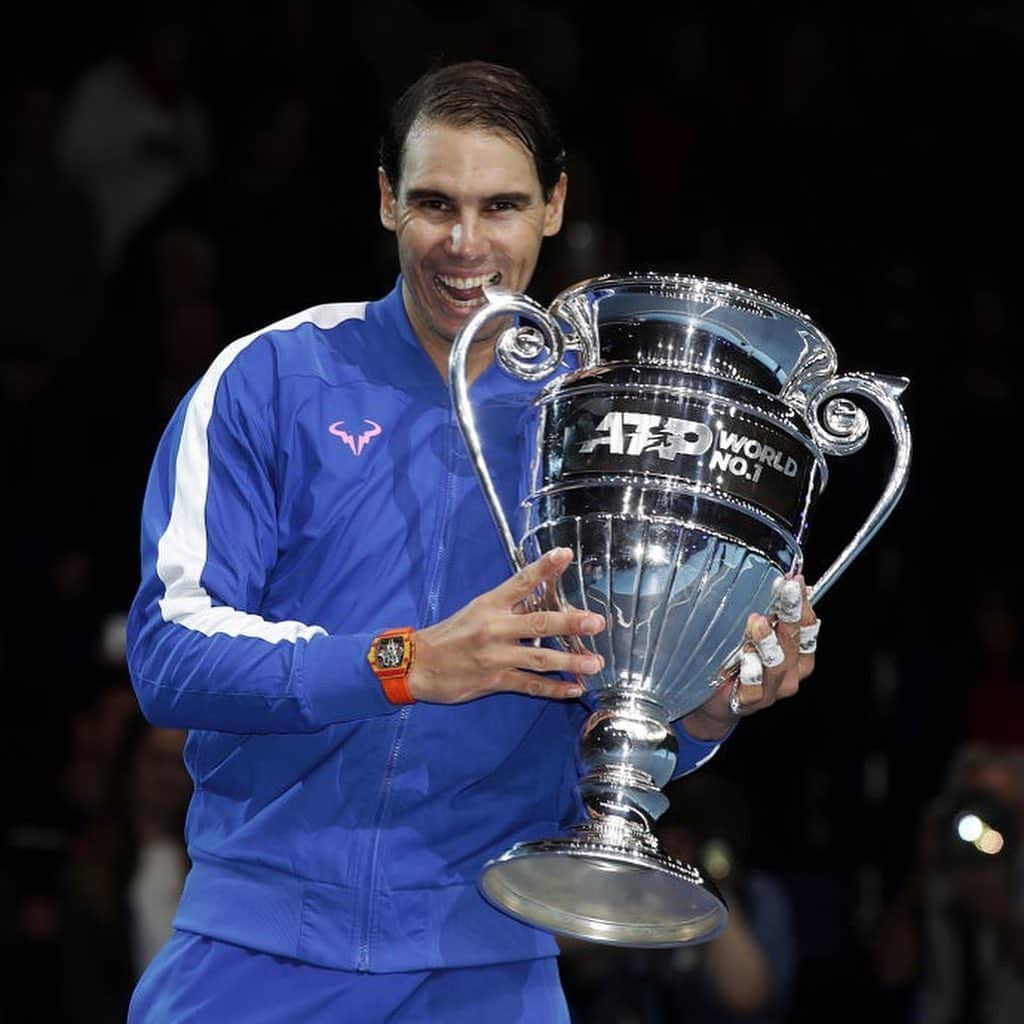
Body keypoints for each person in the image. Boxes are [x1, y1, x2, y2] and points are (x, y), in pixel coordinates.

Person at [125, 60, 819, 1023]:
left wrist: (706, 707)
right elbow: (170, 658)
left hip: (490, 961)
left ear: (553, 206)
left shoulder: (601, 418)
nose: (464, 244)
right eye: (433, 204)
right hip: (257, 949)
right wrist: (408, 664)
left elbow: (608, 702)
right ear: (383, 199)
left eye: (501, 206)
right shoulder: (273, 376)